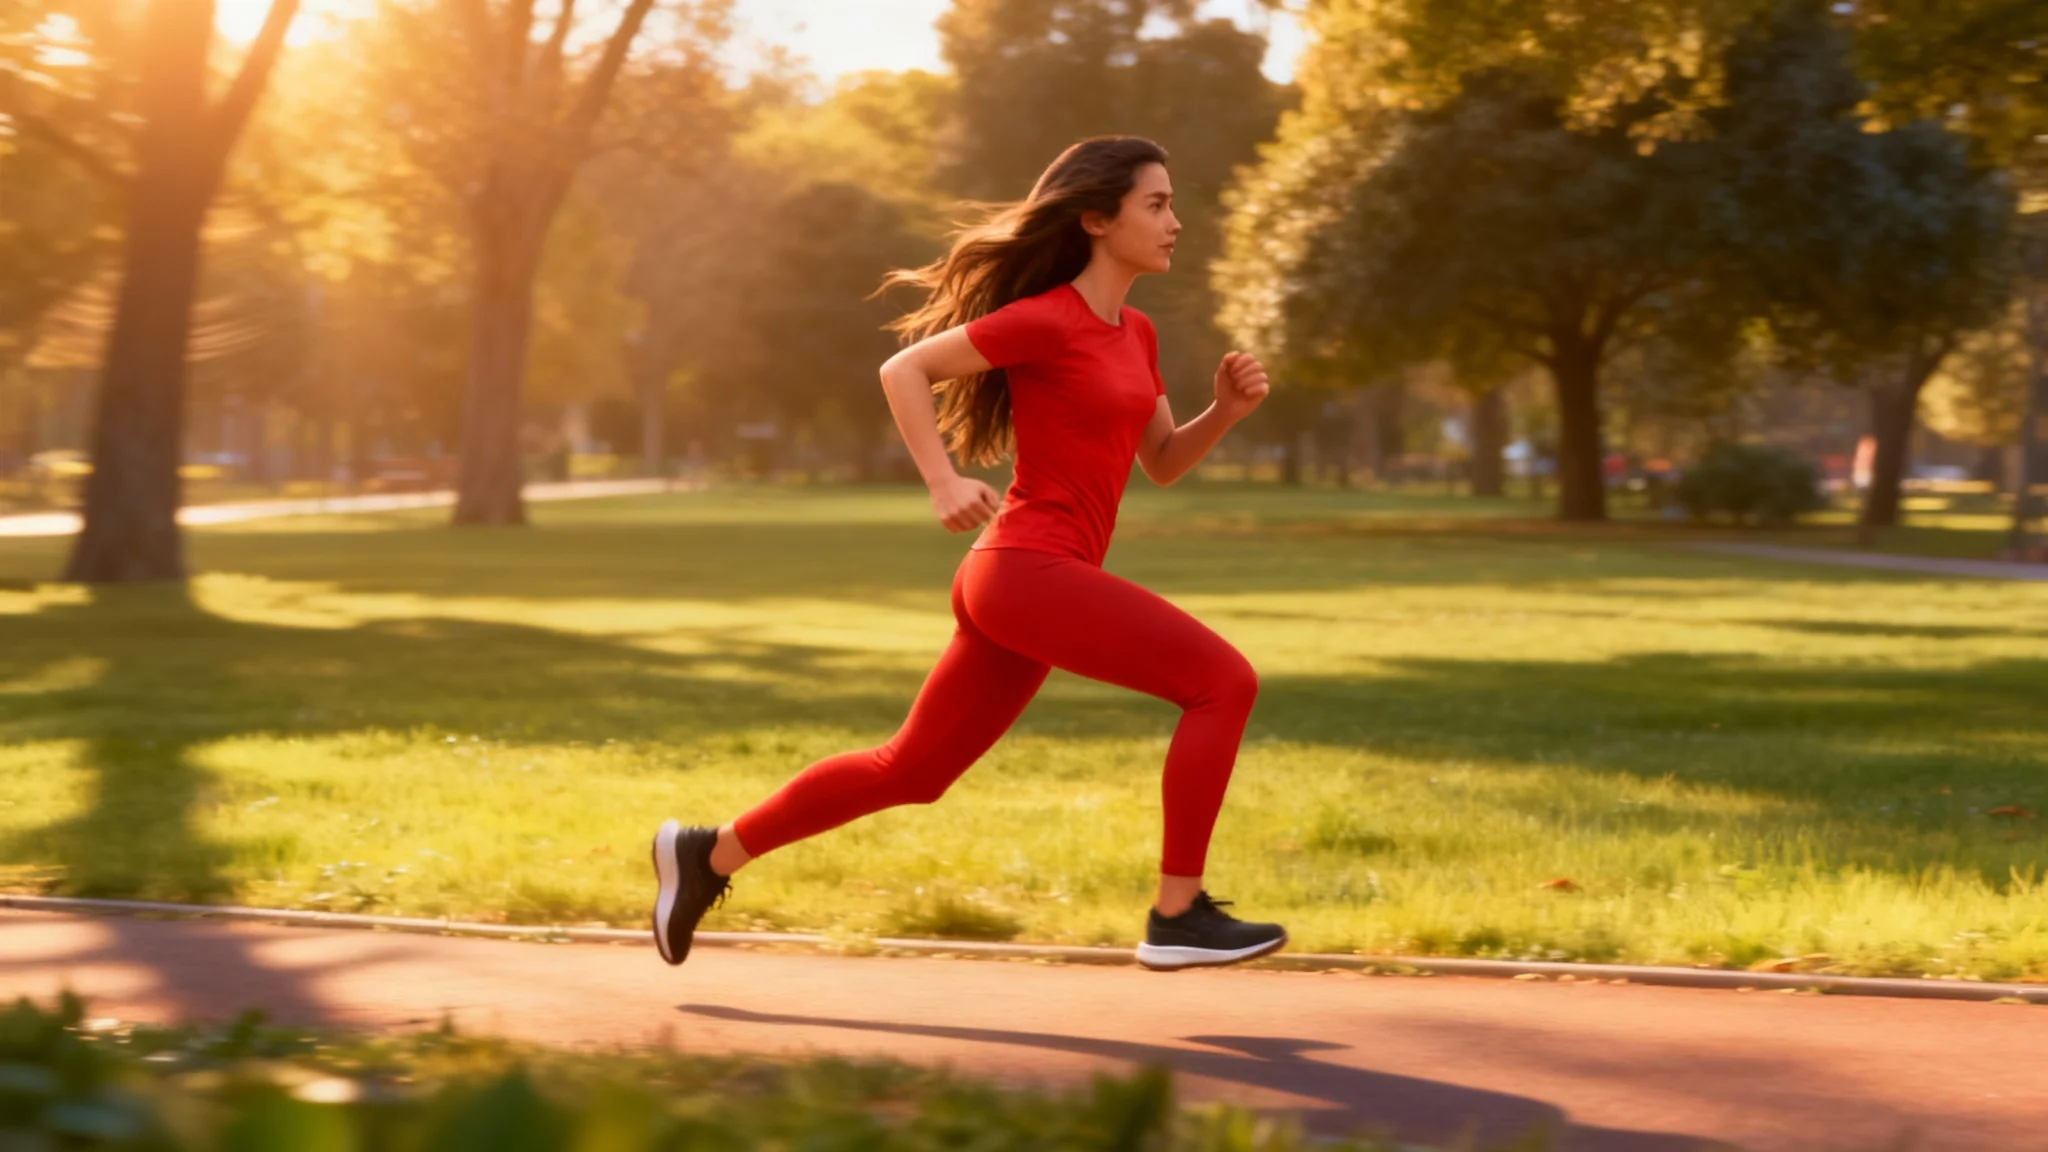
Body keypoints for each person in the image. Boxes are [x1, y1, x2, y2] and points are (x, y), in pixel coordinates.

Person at [653, 136, 1282, 972]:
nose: (1176, 222)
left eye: (1172, 205)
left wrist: (1224, 413)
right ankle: (1177, 914)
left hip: (1025, 580)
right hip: (1027, 570)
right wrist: (942, 480)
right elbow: (904, 368)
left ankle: (706, 854)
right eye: (1157, 204)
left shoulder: (1137, 332)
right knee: (1222, 682)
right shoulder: (1048, 318)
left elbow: (1161, 462)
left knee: (910, 771)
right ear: (1097, 219)